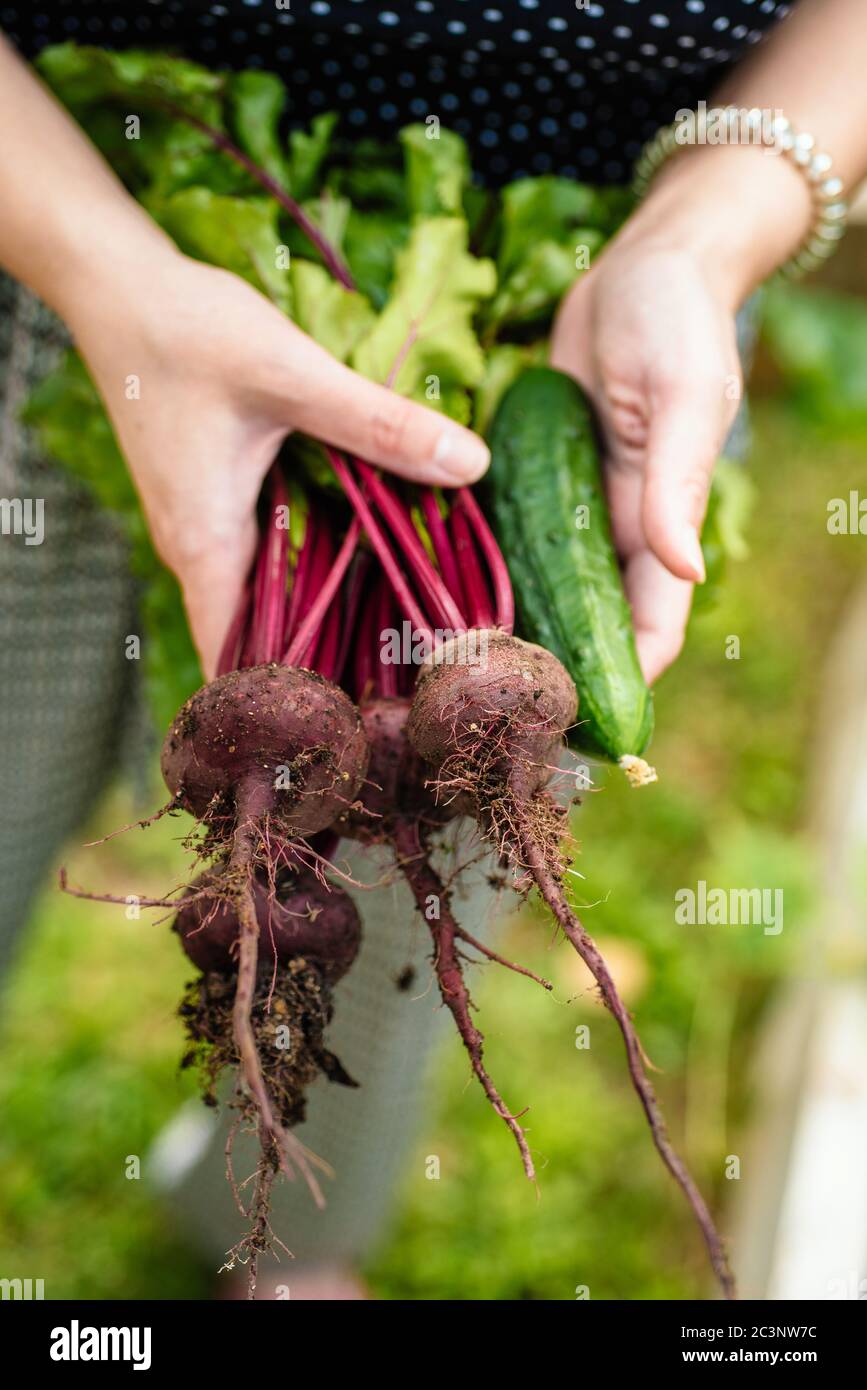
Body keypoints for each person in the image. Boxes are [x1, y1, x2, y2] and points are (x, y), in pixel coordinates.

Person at [1, 0, 865, 1298]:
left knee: (422, 897)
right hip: (68, 241)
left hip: (597, 328)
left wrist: (703, 238)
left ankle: (292, 1240)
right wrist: (108, 279)